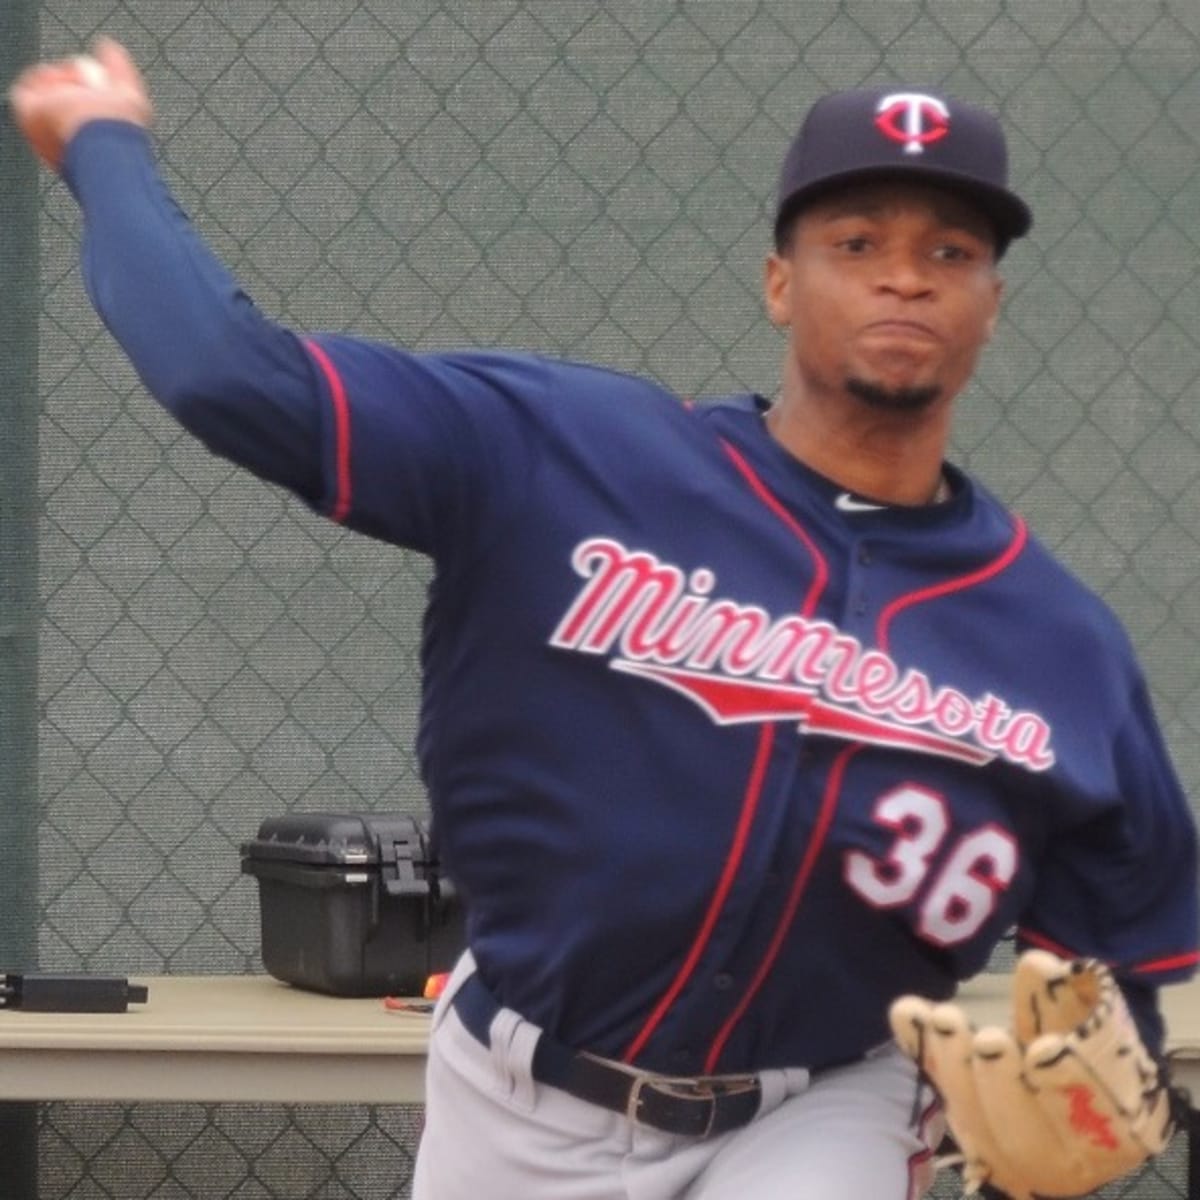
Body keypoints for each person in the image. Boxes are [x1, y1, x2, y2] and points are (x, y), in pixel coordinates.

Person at [10, 40, 1199, 1200]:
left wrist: (1110, 1060)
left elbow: (1133, 941)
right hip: (517, 1088)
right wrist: (104, 145)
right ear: (780, 280)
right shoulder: (561, 455)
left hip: (824, 1102)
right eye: (856, 242)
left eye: (951, 250)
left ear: (992, 306)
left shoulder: (1057, 644)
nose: (906, 275)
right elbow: (229, 375)